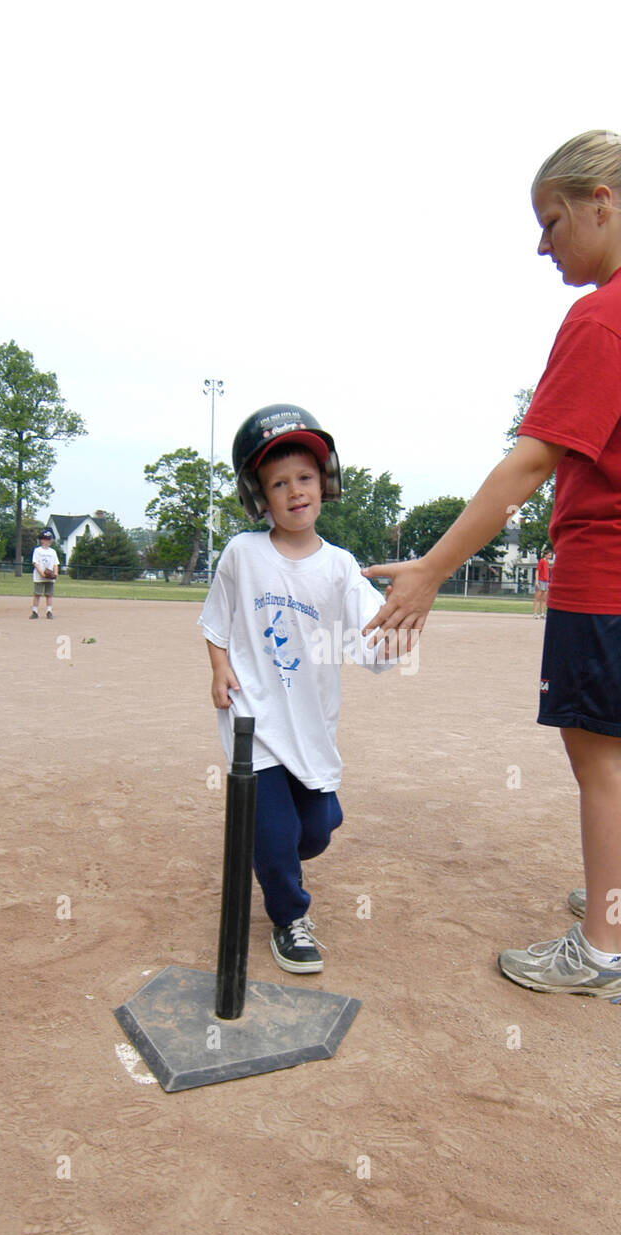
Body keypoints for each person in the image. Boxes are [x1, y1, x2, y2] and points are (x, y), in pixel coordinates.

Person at [362, 130, 621, 1004]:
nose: (542, 243)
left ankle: (601, 953)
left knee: (601, 761)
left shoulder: (607, 313)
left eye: (552, 220)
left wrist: (433, 570)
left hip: (616, 573)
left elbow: (527, 467)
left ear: (604, 203)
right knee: (616, 755)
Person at [198, 404, 403, 975]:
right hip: (255, 721)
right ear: (260, 495)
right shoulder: (243, 553)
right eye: (279, 482)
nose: (295, 491)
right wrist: (220, 670)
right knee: (278, 829)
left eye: (305, 478)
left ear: (325, 482)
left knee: (316, 830)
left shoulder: (340, 567)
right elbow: (215, 623)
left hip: (310, 724)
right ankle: (290, 919)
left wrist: (399, 629)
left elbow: (369, 639)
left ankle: (274, 858)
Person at [30, 528, 59, 618]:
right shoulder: (37, 550)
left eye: (50, 539)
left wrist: (56, 573)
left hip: (49, 578)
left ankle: (49, 611)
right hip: (39, 577)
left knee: (49, 595)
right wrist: (41, 573)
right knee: (37, 594)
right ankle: (35, 612)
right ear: (42, 540)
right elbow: (35, 563)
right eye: (46, 539)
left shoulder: (53, 551)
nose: (49, 541)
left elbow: (56, 564)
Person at [533, 547, 552, 618]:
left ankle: (542, 613)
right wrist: (537, 581)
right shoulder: (541, 561)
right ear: (546, 555)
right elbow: (537, 570)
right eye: (549, 555)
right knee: (537, 598)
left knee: (543, 599)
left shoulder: (547, 562)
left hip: (546, 581)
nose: (550, 556)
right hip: (540, 581)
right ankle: (535, 613)